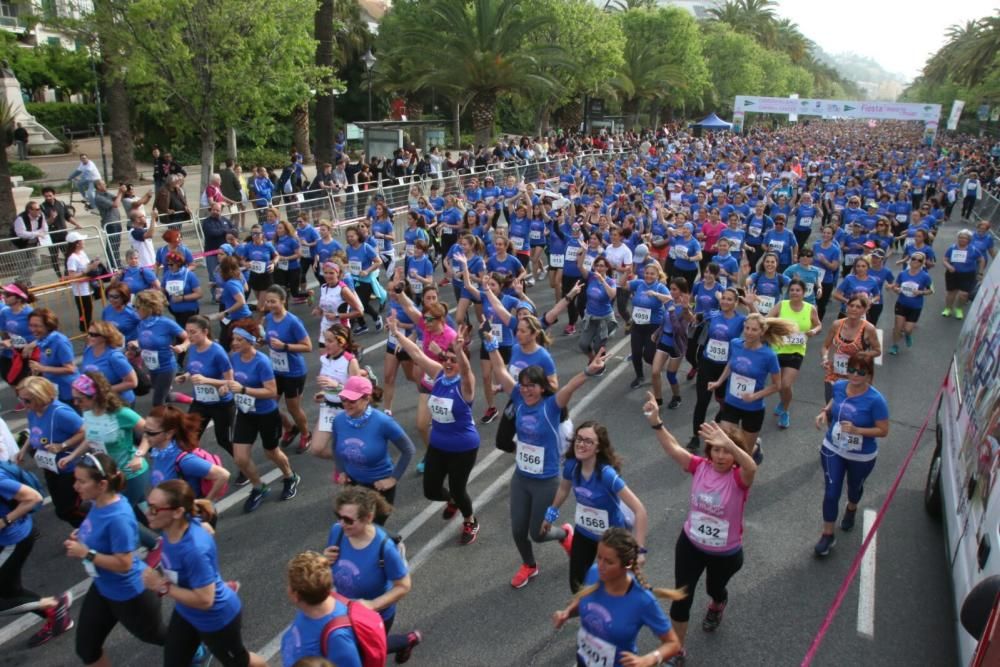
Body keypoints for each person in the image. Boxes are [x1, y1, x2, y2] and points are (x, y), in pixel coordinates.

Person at [489, 336, 609, 589]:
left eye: (532, 385)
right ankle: (529, 565)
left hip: (546, 481)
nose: (526, 389)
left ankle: (565, 534)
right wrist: (490, 343)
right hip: (521, 477)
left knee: (538, 533)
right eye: (523, 385)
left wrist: (589, 370)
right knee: (518, 530)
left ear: (542, 387)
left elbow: (571, 386)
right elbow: (499, 369)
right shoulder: (519, 399)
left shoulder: (551, 406)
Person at [643, 399, 756, 659]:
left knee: (714, 589)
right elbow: (672, 448)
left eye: (725, 451)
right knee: (681, 597)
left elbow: (751, 466)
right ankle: (676, 652)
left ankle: (718, 603)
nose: (720, 456)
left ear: (734, 453)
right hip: (690, 545)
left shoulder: (739, 477)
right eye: (715, 450)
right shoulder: (700, 466)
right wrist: (656, 422)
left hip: (725, 554)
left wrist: (730, 442)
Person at [142, 479, 268, 666]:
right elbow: (204, 525)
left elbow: (205, 600)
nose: (147, 513)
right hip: (187, 612)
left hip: (216, 619)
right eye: (147, 505)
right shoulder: (173, 527)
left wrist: (161, 586)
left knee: (239, 661)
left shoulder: (193, 550)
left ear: (177, 512)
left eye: (153, 509)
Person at [66, 452, 167, 664]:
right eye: (76, 480)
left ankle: (197, 646)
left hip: (129, 594)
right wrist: (83, 536)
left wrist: (86, 553)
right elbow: (97, 530)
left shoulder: (118, 517)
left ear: (102, 485)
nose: (76, 486)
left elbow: (124, 563)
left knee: (158, 636)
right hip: (103, 588)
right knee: (87, 649)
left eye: (81, 481)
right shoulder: (97, 502)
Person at [390, 318, 482, 544]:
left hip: (463, 447)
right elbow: (417, 354)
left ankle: (470, 520)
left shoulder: (466, 385)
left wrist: (460, 352)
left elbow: (467, 370)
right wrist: (396, 333)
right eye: (447, 359)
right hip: (438, 445)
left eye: (454, 361)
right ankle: (452, 501)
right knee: (431, 490)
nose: (449, 363)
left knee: (459, 489)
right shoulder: (440, 374)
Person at [551, 527, 682, 667]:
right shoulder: (594, 573)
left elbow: (673, 643)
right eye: (599, 557)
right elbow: (586, 601)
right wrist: (567, 612)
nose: (600, 565)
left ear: (627, 565)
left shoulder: (643, 600)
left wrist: (649, 659)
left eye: (609, 562)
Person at [543, 421, 648, 593]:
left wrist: (640, 551)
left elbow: (640, 510)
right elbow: (563, 489)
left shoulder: (607, 475)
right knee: (576, 587)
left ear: (598, 448)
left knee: (614, 587)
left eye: (588, 441)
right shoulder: (572, 466)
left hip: (611, 538)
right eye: (579, 439)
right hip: (584, 532)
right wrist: (550, 514)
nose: (581, 444)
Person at [323, 486, 422, 662]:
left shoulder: (385, 548)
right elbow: (328, 566)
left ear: (368, 517)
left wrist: (371, 605)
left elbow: (404, 586)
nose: (342, 523)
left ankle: (407, 640)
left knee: (363, 655)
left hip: (374, 616)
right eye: (338, 517)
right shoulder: (337, 531)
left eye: (348, 519)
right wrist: (324, 560)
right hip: (342, 611)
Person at [812, 353, 889, 557]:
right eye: (852, 369)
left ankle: (852, 507)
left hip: (861, 455)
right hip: (833, 447)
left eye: (861, 372)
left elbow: (883, 430)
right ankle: (828, 534)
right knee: (831, 491)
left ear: (869, 374)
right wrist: (824, 412)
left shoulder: (876, 400)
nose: (855, 375)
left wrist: (858, 431)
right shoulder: (839, 386)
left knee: (854, 488)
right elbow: (834, 402)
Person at [225, 321, 301, 512]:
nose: (234, 343)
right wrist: (226, 386)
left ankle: (290, 476)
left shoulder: (262, 362)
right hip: (245, 413)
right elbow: (231, 380)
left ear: (250, 341)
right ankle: (259, 487)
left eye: (239, 339)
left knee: (271, 452)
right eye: (233, 339)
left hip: (266, 413)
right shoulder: (234, 358)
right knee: (240, 458)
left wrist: (244, 389)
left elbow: (271, 391)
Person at [0, 457, 74, 648]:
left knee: (5, 596)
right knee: (10, 591)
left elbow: (33, 498)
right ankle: (56, 613)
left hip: (13, 540)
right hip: (10, 538)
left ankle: (54, 605)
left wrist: (4, 521)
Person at [325, 376, 415, 524]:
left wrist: (393, 478)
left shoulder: (383, 422)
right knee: (351, 525)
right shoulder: (339, 421)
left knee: (372, 529)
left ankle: (395, 544)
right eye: (344, 399)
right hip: (353, 485)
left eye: (352, 400)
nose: (346, 404)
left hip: (378, 488)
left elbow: (408, 449)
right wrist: (341, 470)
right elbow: (335, 447)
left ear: (366, 399)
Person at [707, 313, 792, 463]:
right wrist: (719, 381)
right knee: (727, 443)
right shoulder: (735, 343)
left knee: (744, 453)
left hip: (753, 408)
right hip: (731, 402)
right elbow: (731, 364)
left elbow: (777, 386)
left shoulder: (769, 356)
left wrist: (755, 396)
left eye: (754, 330)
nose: (749, 332)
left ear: (762, 332)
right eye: (747, 328)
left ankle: (755, 448)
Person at [280, 551, 363, 667]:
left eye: (289, 584)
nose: (287, 587)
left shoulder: (338, 638)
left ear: (295, 595)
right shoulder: (308, 607)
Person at [176, 315, 237, 470]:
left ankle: (243, 465)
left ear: (205, 331)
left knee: (224, 440)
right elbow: (195, 368)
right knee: (189, 437)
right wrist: (186, 376)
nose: (189, 336)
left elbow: (230, 381)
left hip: (221, 404)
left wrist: (207, 381)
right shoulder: (194, 347)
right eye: (187, 332)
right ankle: (194, 470)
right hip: (201, 402)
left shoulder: (217, 352)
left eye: (193, 332)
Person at [689, 287, 745, 451]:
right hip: (707, 364)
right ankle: (695, 436)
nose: (725, 302)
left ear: (735, 303)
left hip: (726, 368)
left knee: (722, 400)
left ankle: (721, 417)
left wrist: (751, 305)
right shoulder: (712, 314)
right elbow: (694, 318)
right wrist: (687, 309)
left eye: (729, 299)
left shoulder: (741, 320)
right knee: (702, 401)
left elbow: (761, 323)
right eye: (724, 298)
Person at [261, 286, 313, 454]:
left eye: (273, 301)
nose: (269, 304)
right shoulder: (268, 318)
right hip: (276, 369)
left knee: (293, 408)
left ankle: (306, 434)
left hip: (294, 372)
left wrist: (285, 346)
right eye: (267, 301)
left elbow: (308, 346)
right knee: (269, 404)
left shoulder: (293, 321)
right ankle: (290, 428)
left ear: (283, 301)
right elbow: (269, 339)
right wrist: (263, 342)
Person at [767, 280, 822, 429]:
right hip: (777, 349)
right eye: (792, 290)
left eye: (798, 290)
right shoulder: (781, 305)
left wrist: (814, 331)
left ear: (804, 293)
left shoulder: (810, 308)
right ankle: (784, 401)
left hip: (796, 351)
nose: (794, 293)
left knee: (786, 384)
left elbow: (818, 325)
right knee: (780, 385)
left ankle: (785, 410)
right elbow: (766, 320)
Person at [143, 406, 229, 500]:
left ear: (169, 433)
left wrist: (206, 502)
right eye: (144, 430)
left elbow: (223, 475)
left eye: (151, 433)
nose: (145, 436)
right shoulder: (158, 452)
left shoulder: (184, 460)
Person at [310, 325, 361, 459]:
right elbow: (328, 383)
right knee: (317, 449)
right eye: (325, 340)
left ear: (341, 342)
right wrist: (323, 393)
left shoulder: (350, 361)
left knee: (348, 445)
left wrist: (336, 386)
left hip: (347, 409)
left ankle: (351, 466)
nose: (326, 344)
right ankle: (347, 459)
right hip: (329, 408)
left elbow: (357, 392)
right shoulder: (325, 359)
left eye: (330, 341)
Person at [820, 294, 881, 403]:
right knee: (830, 409)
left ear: (864, 310)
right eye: (851, 305)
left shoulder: (869, 328)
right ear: (847, 306)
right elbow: (825, 346)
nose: (854, 309)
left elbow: (877, 351)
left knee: (850, 410)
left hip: (856, 375)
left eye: (858, 307)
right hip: (835, 372)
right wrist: (825, 358)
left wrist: (863, 355)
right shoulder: (837, 324)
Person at [134, 290, 188, 407]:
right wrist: (135, 345)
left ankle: (162, 424)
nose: (135, 310)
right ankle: (194, 402)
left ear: (148, 308)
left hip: (166, 367)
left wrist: (182, 346)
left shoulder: (166, 323)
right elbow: (145, 341)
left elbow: (188, 337)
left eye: (137, 307)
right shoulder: (141, 324)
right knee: (166, 396)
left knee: (158, 403)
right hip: (152, 367)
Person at [627, 263, 672, 390]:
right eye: (647, 273)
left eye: (652, 273)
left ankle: (657, 368)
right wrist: (626, 273)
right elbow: (623, 285)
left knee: (648, 355)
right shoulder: (639, 283)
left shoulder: (660, 287)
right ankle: (639, 376)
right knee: (636, 353)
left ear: (658, 275)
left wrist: (656, 294)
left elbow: (670, 299)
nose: (649, 276)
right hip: (637, 324)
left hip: (653, 326)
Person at [25, 307, 79, 405]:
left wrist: (42, 368)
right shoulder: (42, 339)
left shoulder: (60, 342)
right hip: (54, 390)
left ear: (48, 326)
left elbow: (71, 369)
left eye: (37, 326)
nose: (33, 330)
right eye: (31, 325)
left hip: (68, 391)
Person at [888, 252, 934, 355]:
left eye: (919, 260)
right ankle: (895, 345)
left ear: (922, 263)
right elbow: (895, 286)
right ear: (910, 260)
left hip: (915, 306)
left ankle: (908, 334)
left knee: (907, 329)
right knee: (898, 327)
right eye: (914, 258)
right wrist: (896, 289)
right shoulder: (902, 274)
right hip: (901, 304)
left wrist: (921, 292)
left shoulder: (925, 276)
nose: (916, 261)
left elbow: (931, 290)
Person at [0, 282, 36, 397]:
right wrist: (6, 342)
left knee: (27, 382)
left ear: (19, 298)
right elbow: (4, 331)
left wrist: (31, 345)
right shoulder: (5, 312)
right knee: (7, 376)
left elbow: (46, 335)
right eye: (4, 293)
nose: (4, 296)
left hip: (28, 354)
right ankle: (22, 398)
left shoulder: (30, 313)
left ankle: (30, 400)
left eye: (8, 294)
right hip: (10, 352)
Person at [941, 229, 986, 320]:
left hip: (968, 274)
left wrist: (980, 272)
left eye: (965, 238)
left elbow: (982, 260)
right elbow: (944, 259)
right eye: (960, 237)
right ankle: (948, 308)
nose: (962, 240)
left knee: (963, 294)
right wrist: (948, 266)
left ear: (969, 240)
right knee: (951, 293)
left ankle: (958, 309)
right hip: (953, 273)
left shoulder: (973, 250)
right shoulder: (952, 248)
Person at [64, 230, 102, 332]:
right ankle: (84, 330)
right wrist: (87, 270)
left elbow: (87, 266)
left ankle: (87, 329)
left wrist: (93, 264)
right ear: (77, 243)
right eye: (82, 241)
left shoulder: (82, 253)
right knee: (85, 311)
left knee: (89, 310)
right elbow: (71, 276)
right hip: (80, 291)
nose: (84, 242)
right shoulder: (72, 258)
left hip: (88, 287)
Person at [162, 251, 202, 329]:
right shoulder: (167, 274)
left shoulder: (190, 275)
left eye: (171, 264)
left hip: (190, 312)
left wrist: (182, 298)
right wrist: (163, 298)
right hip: (175, 311)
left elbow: (199, 294)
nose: (169, 266)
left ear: (179, 263)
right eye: (168, 264)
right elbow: (162, 289)